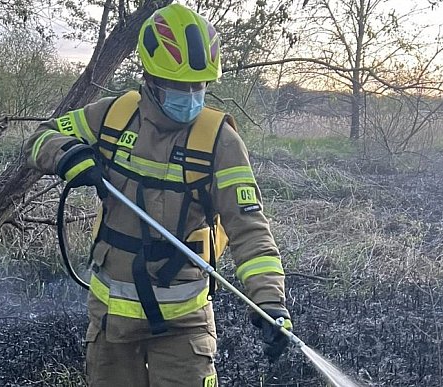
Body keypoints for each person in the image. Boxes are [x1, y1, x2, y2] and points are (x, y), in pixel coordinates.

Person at [24, 4, 291, 386]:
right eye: (178, 86)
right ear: (149, 76)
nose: (190, 96)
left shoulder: (220, 141)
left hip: (183, 328)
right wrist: (69, 154)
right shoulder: (113, 116)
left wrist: (269, 301)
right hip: (111, 323)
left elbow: (249, 227)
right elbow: (41, 138)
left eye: (198, 86)